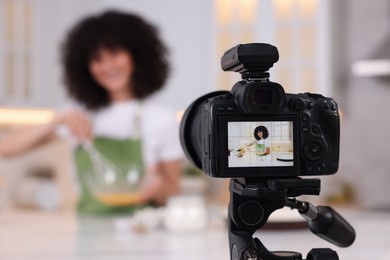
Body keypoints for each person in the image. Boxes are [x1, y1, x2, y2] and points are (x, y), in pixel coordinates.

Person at [0, 10, 183, 214]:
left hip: (142, 231)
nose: (107, 66)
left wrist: (157, 185)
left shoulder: (161, 118)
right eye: (97, 58)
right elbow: (5, 149)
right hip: (88, 232)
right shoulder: (77, 115)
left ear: (136, 55)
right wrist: (55, 121)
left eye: (114, 54)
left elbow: (172, 191)